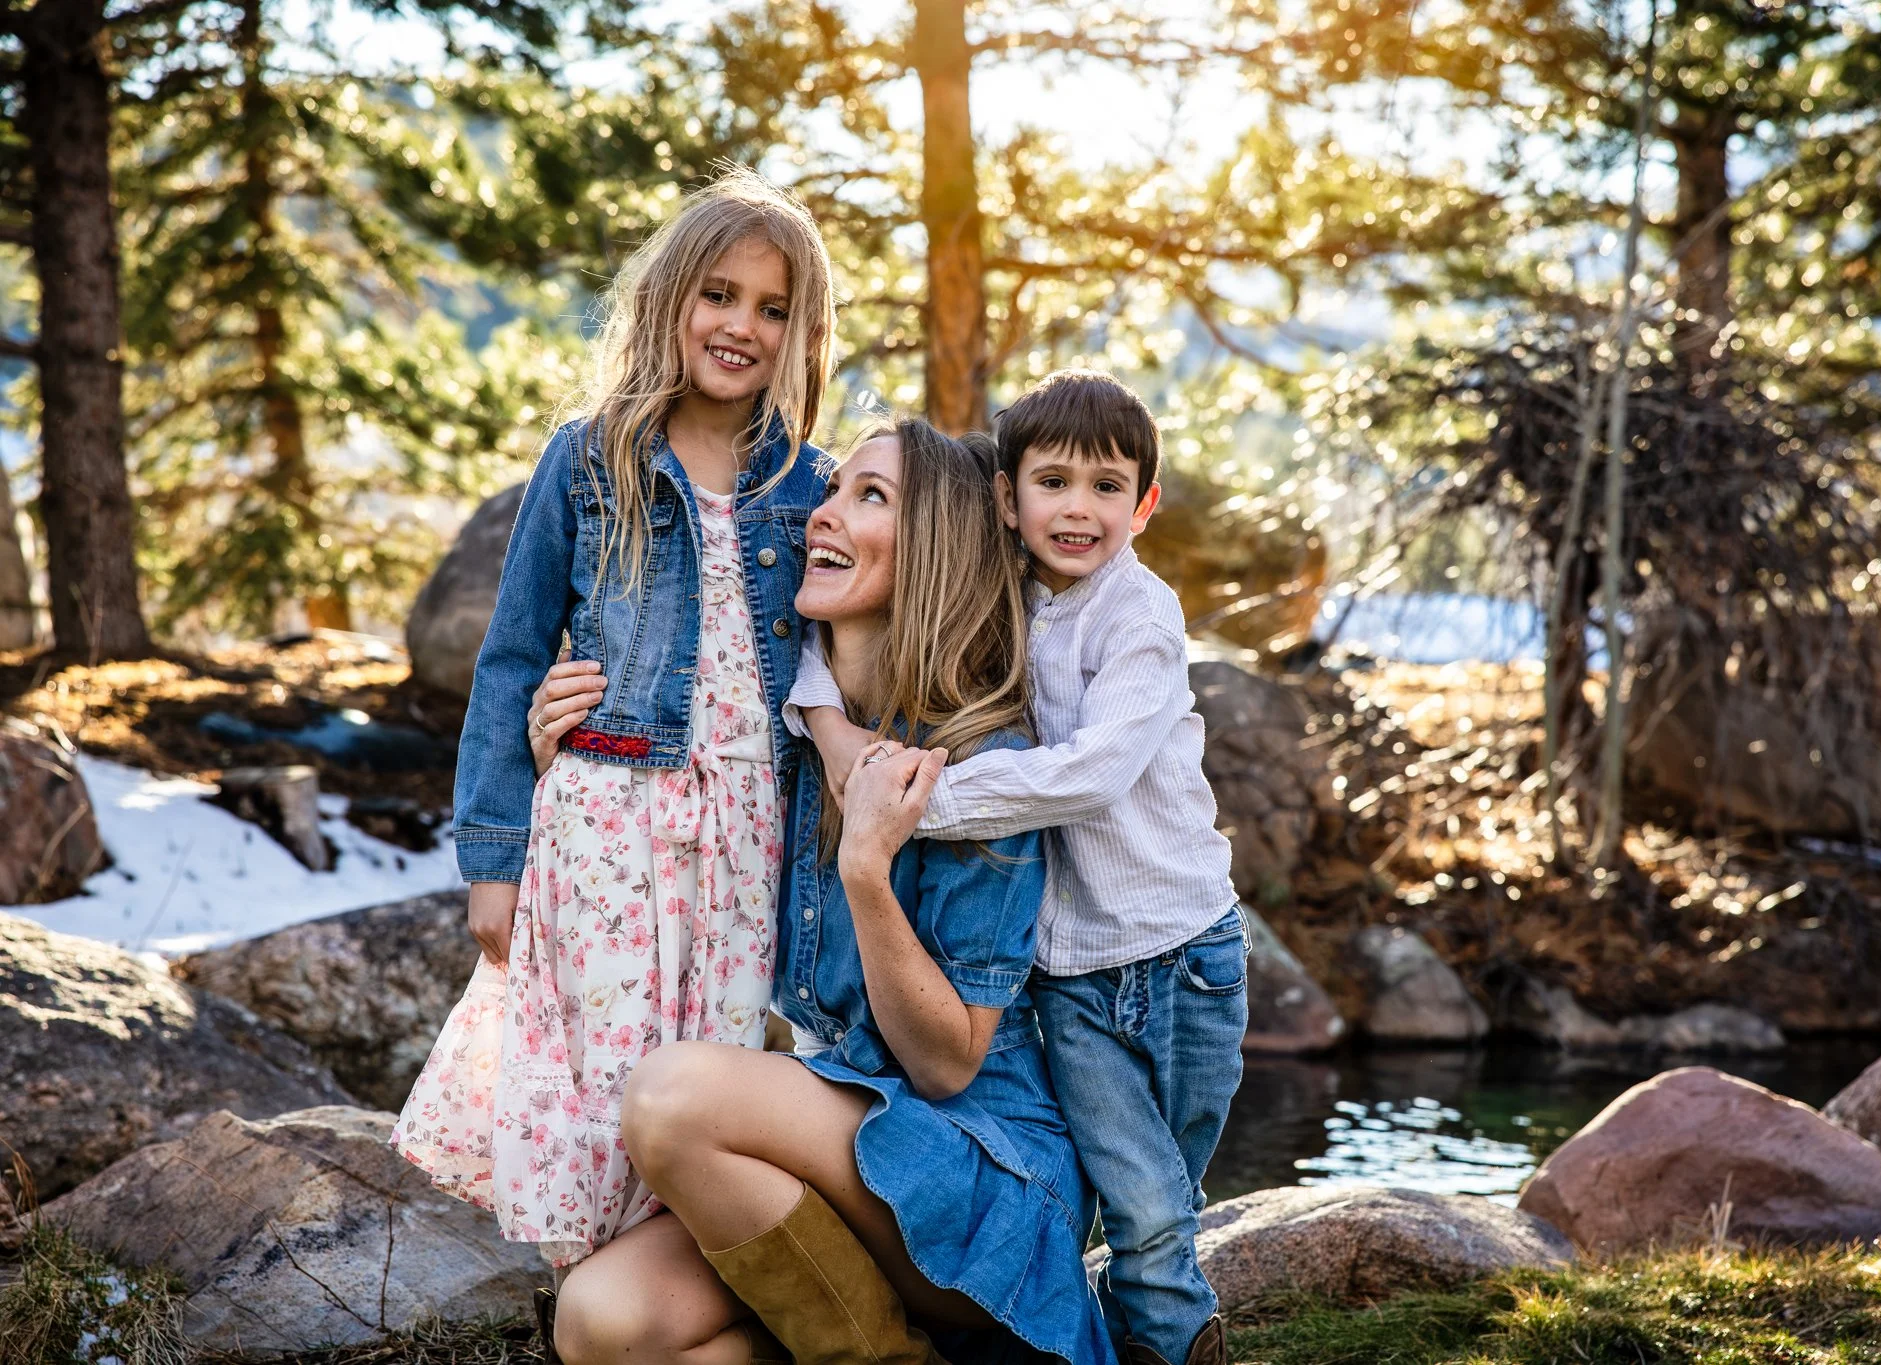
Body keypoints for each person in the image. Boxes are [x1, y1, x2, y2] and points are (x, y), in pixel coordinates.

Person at [528, 420, 1117, 1365]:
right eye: (836, 487)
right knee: (604, 1320)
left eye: (871, 497)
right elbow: (659, 850)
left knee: (675, 1098)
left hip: (980, 1173)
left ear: (939, 551)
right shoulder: (784, 733)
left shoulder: (980, 764)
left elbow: (947, 1065)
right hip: (831, 1156)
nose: (823, 515)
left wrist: (866, 872)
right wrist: (568, 758)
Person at [390, 168, 838, 1268]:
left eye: (773, 309)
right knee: (599, 1077)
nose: (741, 326)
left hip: (747, 838)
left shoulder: (810, 483)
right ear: (669, 298)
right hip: (604, 822)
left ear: (801, 332)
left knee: (710, 1072)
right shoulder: (589, 458)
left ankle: (678, 1298)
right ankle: (587, 1302)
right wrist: (492, 859)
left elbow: (844, 665)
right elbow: (506, 663)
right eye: (719, 294)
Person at [793, 370, 1248, 1365]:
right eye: (1052, 483)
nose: (1077, 509)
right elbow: (829, 642)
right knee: (1135, 1204)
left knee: (1158, 1211)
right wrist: (829, 732)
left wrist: (913, 810)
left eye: (1105, 487)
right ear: (1007, 500)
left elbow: (1093, 775)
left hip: (1181, 960)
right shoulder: (1004, 589)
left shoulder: (1139, 618)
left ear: (1145, 505)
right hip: (1073, 979)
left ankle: (1170, 1344)